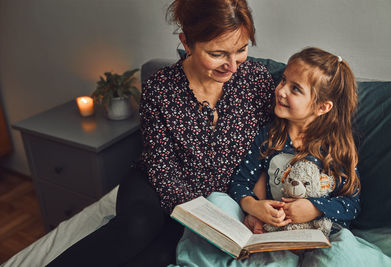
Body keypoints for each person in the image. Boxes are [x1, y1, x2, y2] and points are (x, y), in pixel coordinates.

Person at [47, 0, 276, 266]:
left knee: (158, 256)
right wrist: (197, 214)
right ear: (187, 43)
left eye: (241, 50)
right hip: (157, 186)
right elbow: (161, 164)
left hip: (217, 202)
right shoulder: (161, 87)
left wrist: (251, 203)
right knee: (136, 229)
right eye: (217, 54)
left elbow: (267, 151)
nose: (233, 66)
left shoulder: (257, 81)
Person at [172, 47, 391, 267]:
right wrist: (254, 206)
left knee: (340, 253)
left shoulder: (336, 148)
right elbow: (241, 183)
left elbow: (351, 203)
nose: (281, 91)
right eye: (283, 81)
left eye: (295, 89)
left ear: (322, 107)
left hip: (319, 237)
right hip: (273, 235)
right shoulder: (268, 137)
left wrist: (315, 207)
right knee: (216, 201)